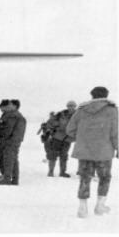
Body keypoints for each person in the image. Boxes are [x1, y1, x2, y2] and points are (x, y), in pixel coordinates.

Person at [66, 86, 117, 218]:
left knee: (84, 178)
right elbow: (115, 133)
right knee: (105, 178)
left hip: (84, 151)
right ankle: (100, 206)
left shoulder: (81, 110)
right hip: (104, 152)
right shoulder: (112, 111)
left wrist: (84, 137)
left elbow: (70, 130)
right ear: (106, 95)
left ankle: (82, 208)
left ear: (92, 95)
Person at [0, 99, 26, 185]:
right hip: (14, 140)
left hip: (10, 141)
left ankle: (7, 179)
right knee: (13, 160)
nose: (8, 105)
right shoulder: (14, 115)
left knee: (8, 160)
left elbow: (7, 130)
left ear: (15, 106)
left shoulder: (12, 115)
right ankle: (14, 179)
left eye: (10, 104)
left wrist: (0, 138)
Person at [47, 101, 77, 177]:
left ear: (75, 106)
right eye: (69, 106)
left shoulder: (77, 115)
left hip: (68, 139)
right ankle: (51, 171)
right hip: (57, 137)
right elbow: (51, 123)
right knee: (53, 155)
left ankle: (62, 172)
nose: (71, 107)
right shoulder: (61, 114)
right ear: (67, 106)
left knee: (64, 155)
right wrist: (55, 123)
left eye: (72, 106)